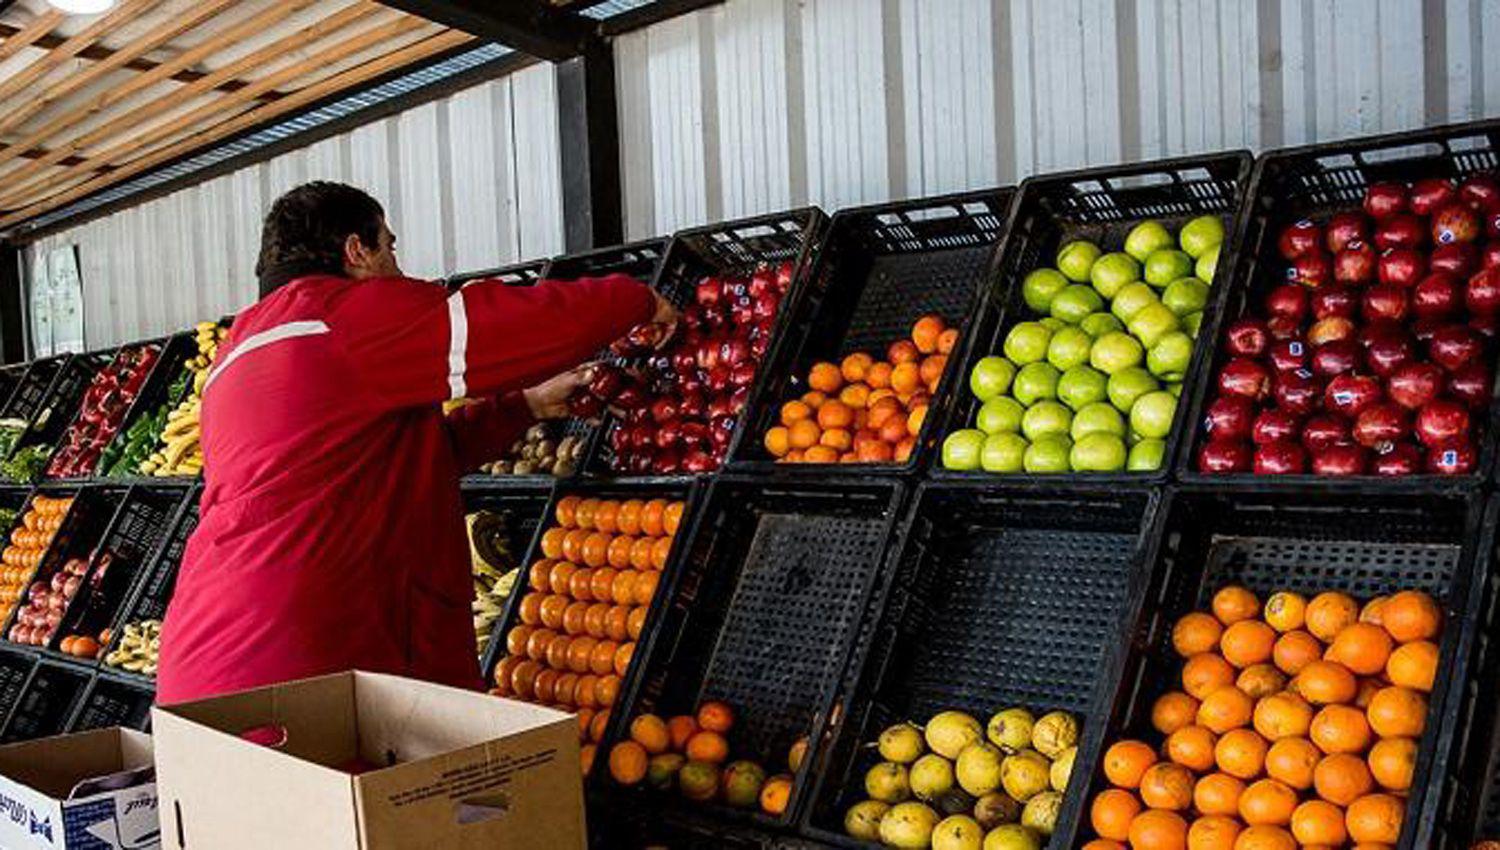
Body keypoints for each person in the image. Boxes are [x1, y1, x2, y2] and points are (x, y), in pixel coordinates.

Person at [155, 182, 674, 704]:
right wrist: (636, 300)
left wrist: (524, 407)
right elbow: (512, 324)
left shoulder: (237, 350)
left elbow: (386, 463)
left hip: (206, 661)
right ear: (357, 252)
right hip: (297, 664)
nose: (400, 268)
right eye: (391, 246)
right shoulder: (337, 319)